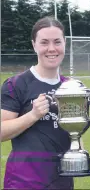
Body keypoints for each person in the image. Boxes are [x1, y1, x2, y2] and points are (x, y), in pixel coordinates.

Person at [1, 16, 74, 189]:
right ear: (34, 45)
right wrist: (33, 115)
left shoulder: (70, 86)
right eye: (44, 42)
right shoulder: (15, 84)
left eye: (57, 42)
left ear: (64, 43)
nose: (51, 49)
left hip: (62, 181)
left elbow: (74, 132)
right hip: (24, 182)